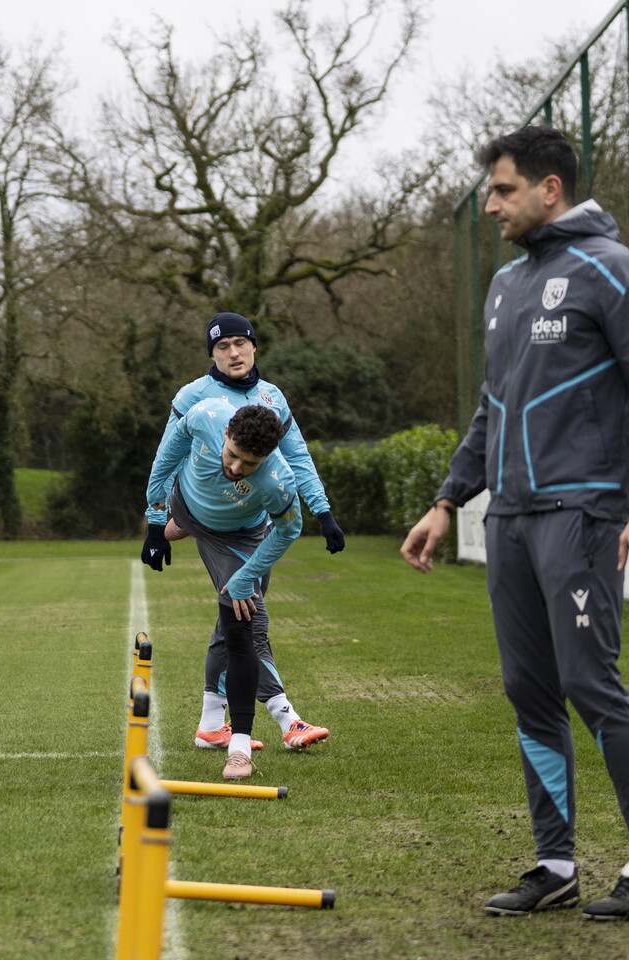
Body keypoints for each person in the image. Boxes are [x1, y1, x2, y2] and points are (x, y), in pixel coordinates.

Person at [401, 125, 629, 920]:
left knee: (589, 684)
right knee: (529, 689)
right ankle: (556, 864)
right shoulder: (504, 287)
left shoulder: (611, 271)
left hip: (585, 511)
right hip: (512, 518)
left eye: (502, 191)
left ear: (549, 189)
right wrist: (446, 500)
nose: (491, 205)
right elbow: (491, 410)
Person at [143, 312, 335, 753]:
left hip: (252, 523)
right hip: (201, 507)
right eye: (222, 346)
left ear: (254, 346)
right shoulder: (197, 398)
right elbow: (165, 456)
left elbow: (297, 458)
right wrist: (155, 523)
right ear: (212, 353)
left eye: (240, 343)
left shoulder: (272, 398)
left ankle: (212, 723)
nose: (233, 353)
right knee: (251, 618)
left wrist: (322, 510)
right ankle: (288, 719)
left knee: (230, 618)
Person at [143, 399, 302, 780]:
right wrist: (154, 519)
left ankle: (240, 750)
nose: (235, 468)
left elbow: (290, 530)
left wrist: (247, 576)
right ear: (226, 433)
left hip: (238, 536)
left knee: (241, 625)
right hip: (187, 503)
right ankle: (182, 524)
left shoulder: (279, 482)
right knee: (187, 507)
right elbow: (166, 457)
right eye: (232, 455)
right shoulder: (205, 415)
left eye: (249, 464)